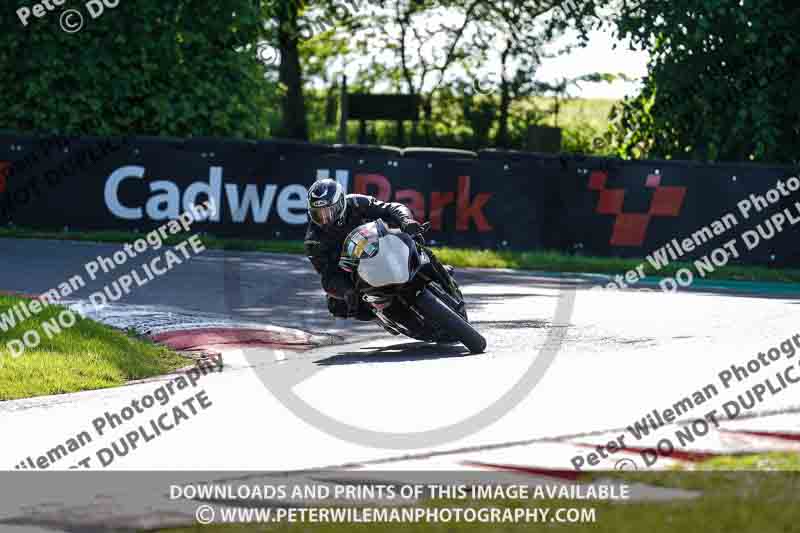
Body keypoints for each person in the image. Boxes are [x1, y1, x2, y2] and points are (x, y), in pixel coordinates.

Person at [304, 178, 452, 321]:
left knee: (416, 241)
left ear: (341, 203)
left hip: (383, 246)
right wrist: (346, 291)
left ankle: (441, 276)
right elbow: (328, 276)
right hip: (355, 272)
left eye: (329, 212)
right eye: (319, 214)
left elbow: (390, 208)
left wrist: (406, 220)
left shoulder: (356, 202)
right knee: (337, 306)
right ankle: (388, 317)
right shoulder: (314, 241)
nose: (325, 219)